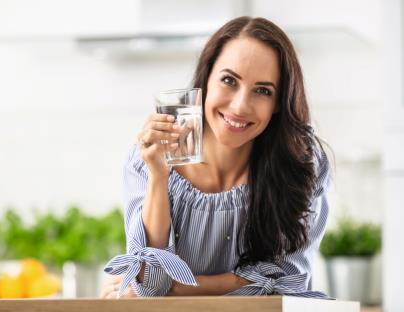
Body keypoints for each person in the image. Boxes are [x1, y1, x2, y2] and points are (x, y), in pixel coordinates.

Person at [100, 16, 331, 298]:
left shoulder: (302, 163)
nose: (240, 106)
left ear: (277, 103)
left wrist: (175, 287)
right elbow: (150, 282)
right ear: (206, 79)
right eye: (229, 80)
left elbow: (289, 284)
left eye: (262, 91)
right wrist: (159, 176)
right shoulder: (147, 157)